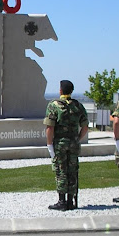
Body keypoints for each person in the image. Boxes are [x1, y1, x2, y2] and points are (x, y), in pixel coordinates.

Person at [43, 79, 89, 211]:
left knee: (61, 170)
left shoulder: (54, 105)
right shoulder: (78, 106)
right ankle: (71, 200)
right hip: (73, 143)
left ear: (60, 90)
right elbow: (85, 126)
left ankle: (62, 201)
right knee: (72, 171)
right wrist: (77, 138)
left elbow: (50, 128)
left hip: (60, 143)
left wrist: (49, 145)